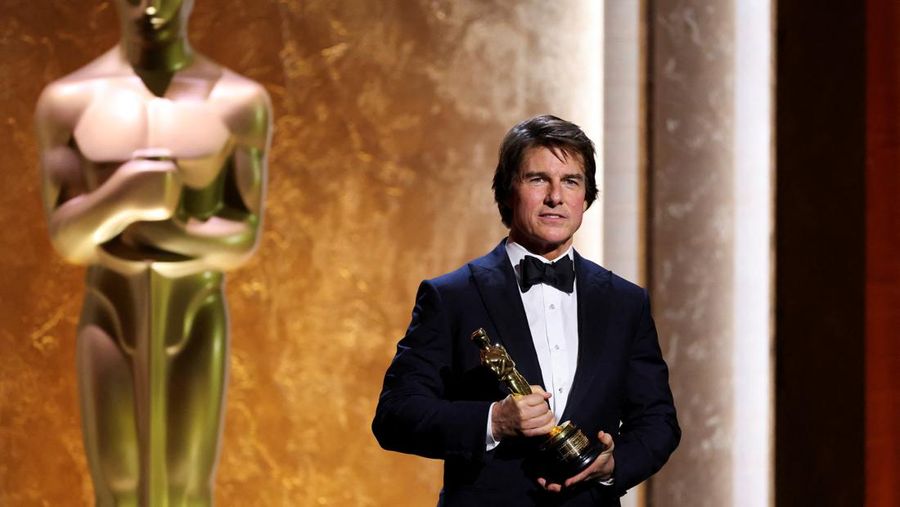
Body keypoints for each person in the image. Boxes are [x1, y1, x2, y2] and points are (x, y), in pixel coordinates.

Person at [372, 115, 679, 506]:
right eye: (538, 179)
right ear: (506, 192)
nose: (556, 196)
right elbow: (395, 416)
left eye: (571, 181)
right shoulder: (451, 296)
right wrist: (494, 421)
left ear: (586, 196)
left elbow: (658, 421)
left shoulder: (625, 302)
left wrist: (613, 465)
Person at [34, 0, 271, 504]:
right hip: (109, 306)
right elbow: (68, 239)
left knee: (186, 482)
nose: (150, 6)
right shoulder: (68, 101)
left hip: (196, 307)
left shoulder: (238, 101)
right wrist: (122, 196)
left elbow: (242, 237)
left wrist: (160, 231)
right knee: (117, 484)